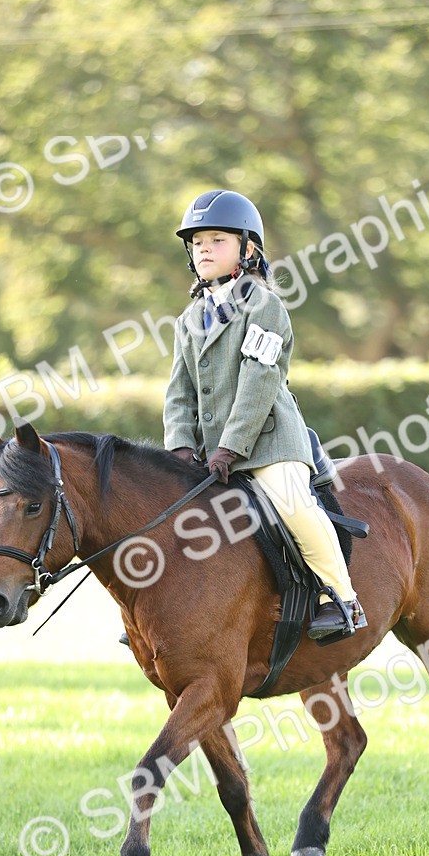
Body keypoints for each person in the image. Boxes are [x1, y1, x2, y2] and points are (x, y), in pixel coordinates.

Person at [163, 188, 366, 641]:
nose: (204, 250)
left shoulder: (265, 306)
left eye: (217, 240)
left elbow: (258, 382)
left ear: (247, 248)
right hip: (208, 451)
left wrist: (229, 447)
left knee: (293, 505)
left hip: (269, 443)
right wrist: (178, 446)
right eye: (197, 243)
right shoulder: (188, 319)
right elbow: (179, 390)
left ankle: (343, 597)